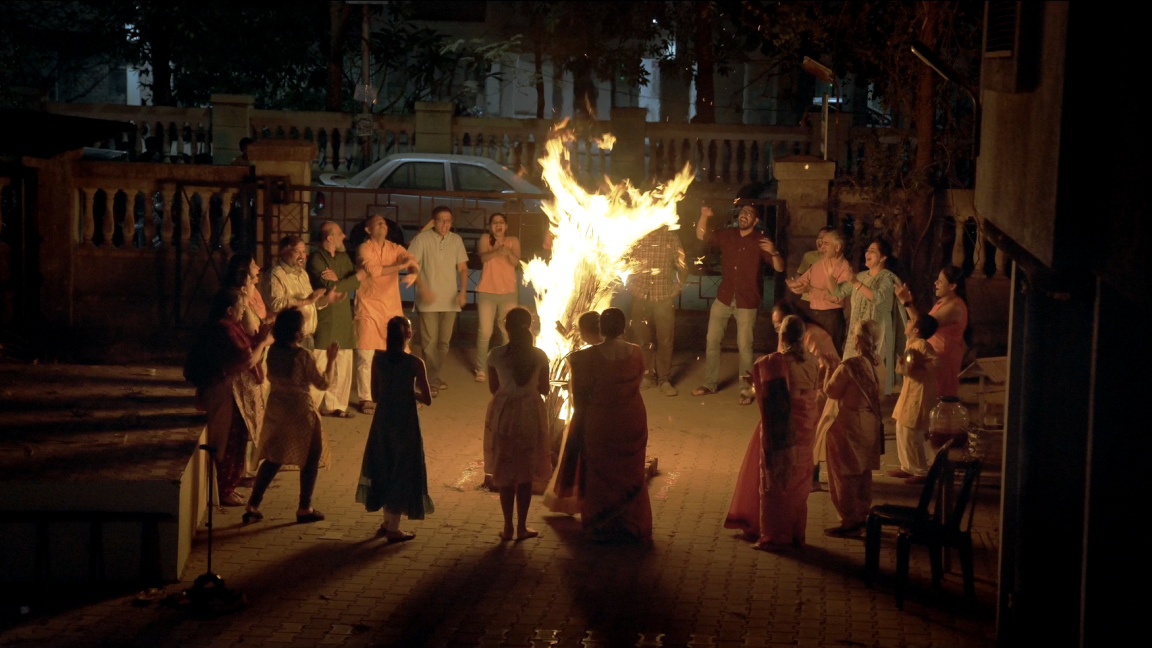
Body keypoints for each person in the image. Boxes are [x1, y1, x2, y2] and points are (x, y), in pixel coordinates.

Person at [724, 315, 821, 551]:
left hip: (783, 427)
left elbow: (773, 397)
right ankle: (796, 532)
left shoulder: (777, 362)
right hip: (807, 426)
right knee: (799, 479)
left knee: (775, 479)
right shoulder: (812, 361)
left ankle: (774, 534)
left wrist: (756, 383)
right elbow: (810, 391)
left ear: (783, 335)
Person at [243, 308, 337, 524]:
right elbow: (323, 383)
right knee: (311, 457)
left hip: (277, 408)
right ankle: (305, 507)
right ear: (296, 332)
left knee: (274, 457)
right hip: (300, 411)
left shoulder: (274, 352)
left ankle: (253, 504)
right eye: (301, 328)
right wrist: (331, 360)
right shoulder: (302, 356)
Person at [183, 289, 271, 506]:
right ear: (230, 309)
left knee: (236, 438)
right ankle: (223, 489)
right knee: (226, 441)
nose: (243, 311)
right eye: (240, 307)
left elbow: (245, 348)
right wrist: (262, 343)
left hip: (232, 394)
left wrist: (259, 338)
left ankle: (229, 486)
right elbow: (246, 359)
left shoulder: (231, 326)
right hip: (224, 393)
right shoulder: (223, 329)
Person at [693, 205, 786, 405]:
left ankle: (746, 389)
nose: (744, 215)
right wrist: (704, 216)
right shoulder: (728, 234)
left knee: (744, 346)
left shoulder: (760, 240)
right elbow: (701, 235)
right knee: (712, 341)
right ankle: (710, 383)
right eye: (742, 212)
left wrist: (774, 251)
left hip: (747, 300)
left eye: (749, 214)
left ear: (755, 221)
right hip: (724, 297)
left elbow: (779, 268)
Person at [356, 316, 434, 543]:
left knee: (384, 464)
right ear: (408, 335)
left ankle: (387, 521)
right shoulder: (415, 363)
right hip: (405, 421)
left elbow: (375, 396)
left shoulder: (378, 359)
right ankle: (393, 527)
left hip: (383, 420)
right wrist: (409, 392)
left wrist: (392, 389)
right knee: (403, 468)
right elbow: (427, 399)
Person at [578, 307, 653, 544]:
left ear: (601, 328)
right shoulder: (636, 351)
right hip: (631, 417)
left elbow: (581, 393)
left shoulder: (588, 356)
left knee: (600, 471)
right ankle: (631, 523)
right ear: (624, 327)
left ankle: (602, 524)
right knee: (631, 471)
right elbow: (638, 380)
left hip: (602, 420)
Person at [484, 307, 552, 541]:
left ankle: (508, 527)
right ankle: (522, 527)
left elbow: (493, 388)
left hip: (504, 413)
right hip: (530, 413)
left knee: (505, 470)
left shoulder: (495, 355)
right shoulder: (540, 355)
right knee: (525, 471)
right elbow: (545, 389)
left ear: (506, 327)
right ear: (529, 326)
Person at [818, 319, 884, 537]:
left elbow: (831, 392)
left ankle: (849, 520)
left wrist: (830, 368)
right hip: (870, 424)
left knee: (844, 474)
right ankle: (863, 514)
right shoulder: (880, 364)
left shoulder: (850, 365)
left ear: (856, 339)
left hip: (849, 426)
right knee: (863, 473)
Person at [771, 300, 841, 492]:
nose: (778, 329)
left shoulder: (814, 336)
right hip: (798, 396)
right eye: (775, 325)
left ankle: (811, 479)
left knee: (810, 439)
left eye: (780, 324)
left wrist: (799, 383)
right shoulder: (788, 338)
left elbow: (824, 368)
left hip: (815, 395)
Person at [353, 214, 419, 414]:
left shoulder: (394, 248)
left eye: (384, 223)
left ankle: (402, 393)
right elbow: (373, 270)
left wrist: (413, 271)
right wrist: (401, 267)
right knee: (365, 356)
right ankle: (365, 398)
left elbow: (410, 259)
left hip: (391, 308)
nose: (382, 225)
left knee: (401, 354)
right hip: (368, 307)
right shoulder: (364, 248)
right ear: (368, 230)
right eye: (377, 223)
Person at [826, 237, 904, 395]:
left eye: (873, 251)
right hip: (856, 333)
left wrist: (855, 282)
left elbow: (878, 298)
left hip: (875, 335)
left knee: (870, 372)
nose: (867, 253)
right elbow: (838, 291)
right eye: (867, 250)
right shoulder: (861, 276)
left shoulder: (887, 278)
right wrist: (829, 275)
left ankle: (868, 403)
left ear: (883, 257)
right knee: (851, 371)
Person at [544, 311, 603, 515]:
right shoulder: (619, 352)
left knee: (581, 459)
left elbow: (577, 392)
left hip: (586, 414)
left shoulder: (578, 358)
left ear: (584, 332)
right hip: (608, 413)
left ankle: (580, 499)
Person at [407, 206, 469, 397]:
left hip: (450, 299)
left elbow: (463, 268)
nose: (444, 224)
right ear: (433, 221)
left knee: (444, 343)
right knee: (429, 342)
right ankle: (430, 380)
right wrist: (423, 289)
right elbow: (411, 266)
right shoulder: (421, 239)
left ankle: (431, 376)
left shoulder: (456, 240)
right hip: (428, 300)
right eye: (441, 220)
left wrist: (463, 292)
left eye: (448, 220)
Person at [308, 221, 367, 418]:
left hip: (342, 316)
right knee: (321, 362)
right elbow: (330, 285)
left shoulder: (343, 257)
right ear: (330, 238)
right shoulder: (316, 258)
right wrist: (349, 279)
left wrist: (341, 281)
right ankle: (313, 406)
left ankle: (336, 406)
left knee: (343, 363)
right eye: (340, 233)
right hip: (325, 316)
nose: (344, 237)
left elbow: (356, 283)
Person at [627, 226, 687, 396]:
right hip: (640, 295)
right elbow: (625, 262)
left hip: (663, 295)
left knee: (665, 339)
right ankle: (647, 376)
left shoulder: (671, 238)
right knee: (643, 338)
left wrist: (679, 284)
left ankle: (664, 379)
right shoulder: (637, 236)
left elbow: (682, 265)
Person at [895, 266, 969, 398]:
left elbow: (923, 325)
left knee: (938, 398)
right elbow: (920, 322)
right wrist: (906, 302)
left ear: (952, 286)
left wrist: (907, 303)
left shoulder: (954, 307)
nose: (935, 283)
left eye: (940, 281)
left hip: (942, 359)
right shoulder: (943, 302)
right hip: (934, 355)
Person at [786, 229, 854, 355]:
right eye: (822, 243)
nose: (822, 246)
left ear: (837, 247)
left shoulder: (845, 268)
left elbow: (837, 297)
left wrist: (811, 289)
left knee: (831, 355)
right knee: (813, 354)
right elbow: (802, 281)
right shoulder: (818, 265)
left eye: (826, 243)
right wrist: (795, 285)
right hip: (814, 315)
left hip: (831, 317)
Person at [890, 314, 940, 484]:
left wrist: (921, 364)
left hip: (919, 394)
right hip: (908, 392)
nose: (908, 322)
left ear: (917, 330)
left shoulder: (923, 345)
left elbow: (935, 363)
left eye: (911, 321)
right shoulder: (911, 344)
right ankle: (906, 467)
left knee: (912, 434)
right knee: (901, 429)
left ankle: (921, 471)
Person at [474, 213, 521, 383]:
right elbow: (483, 257)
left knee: (507, 331)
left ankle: (506, 368)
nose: (498, 225)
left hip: (508, 292)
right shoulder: (485, 239)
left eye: (501, 222)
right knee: (485, 332)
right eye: (494, 222)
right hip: (487, 291)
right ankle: (480, 368)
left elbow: (516, 262)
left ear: (506, 226)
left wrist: (508, 252)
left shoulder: (513, 241)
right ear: (490, 226)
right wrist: (497, 250)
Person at [267, 235, 329, 350]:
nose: (302, 256)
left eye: (304, 252)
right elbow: (276, 304)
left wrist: (329, 298)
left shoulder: (303, 274)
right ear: (284, 252)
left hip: (308, 337)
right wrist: (306, 301)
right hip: (290, 339)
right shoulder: (276, 274)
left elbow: (312, 302)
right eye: (297, 252)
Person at [795, 227, 834, 303]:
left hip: (825, 302)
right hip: (806, 300)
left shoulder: (836, 261)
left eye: (824, 237)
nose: (820, 239)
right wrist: (797, 283)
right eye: (819, 237)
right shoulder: (808, 256)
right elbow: (799, 274)